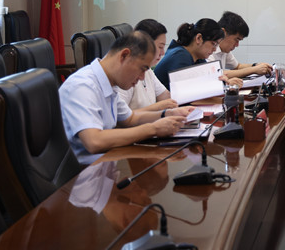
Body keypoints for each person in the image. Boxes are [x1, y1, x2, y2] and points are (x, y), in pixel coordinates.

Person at [59, 31, 194, 164]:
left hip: (108, 163)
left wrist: (167, 113)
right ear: (124, 55)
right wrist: (153, 129)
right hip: (85, 172)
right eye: (142, 69)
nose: (142, 78)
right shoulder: (83, 86)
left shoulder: (109, 83)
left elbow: (130, 119)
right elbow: (94, 141)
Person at [154, 18, 242, 90]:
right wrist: (223, 85)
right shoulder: (180, 56)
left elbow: (210, 79)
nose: (215, 49)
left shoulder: (198, 57)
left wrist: (224, 82)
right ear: (199, 38)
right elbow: (190, 92)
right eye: (213, 44)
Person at [116, 19, 177, 112]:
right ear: (145, 44)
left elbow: (166, 97)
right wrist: (158, 107)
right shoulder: (125, 73)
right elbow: (121, 116)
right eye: (160, 47)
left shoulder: (148, 70)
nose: (163, 53)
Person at [209, 11, 272, 78]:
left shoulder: (224, 49)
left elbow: (237, 66)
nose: (237, 45)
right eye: (236, 40)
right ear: (224, 32)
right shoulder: (209, 49)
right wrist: (254, 70)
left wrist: (256, 65)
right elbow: (217, 74)